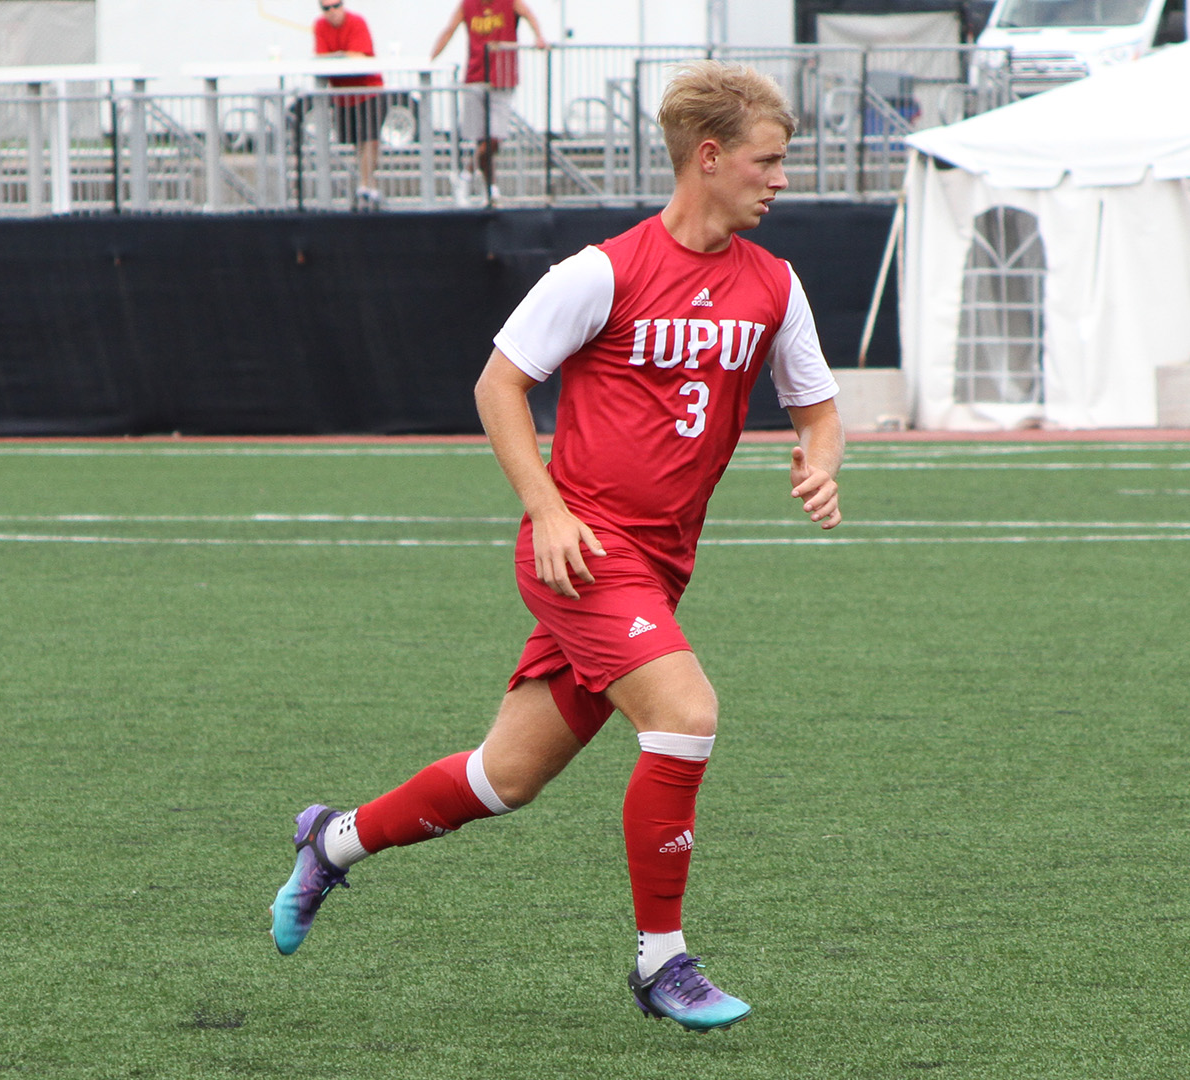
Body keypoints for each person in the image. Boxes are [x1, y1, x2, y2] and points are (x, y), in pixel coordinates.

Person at [270, 61, 844, 1034]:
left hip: (657, 572)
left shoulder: (775, 286)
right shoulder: (601, 271)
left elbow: (818, 406)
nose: (781, 178)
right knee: (687, 713)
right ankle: (662, 963)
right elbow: (499, 387)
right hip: (580, 556)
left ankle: (333, 842)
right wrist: (547, 509)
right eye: (768, 160)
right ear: (709, 159)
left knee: (506, 778)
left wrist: (820, 460)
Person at [430, 0, 548, 206]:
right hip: (476, 76)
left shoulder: (510, 2)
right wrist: (429, 60)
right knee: (481, 139)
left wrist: (539, 37)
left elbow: (530, 15)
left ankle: (465, 174)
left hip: (502, 77)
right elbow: (449, 30)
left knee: (495, 138)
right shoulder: (467, 5)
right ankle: (490, 190)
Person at [313, 0, 387, 208]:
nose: (332, 12)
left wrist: (338, 57)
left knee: (370, 139)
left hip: (368, 89)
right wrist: (340, 57)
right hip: (344, 95)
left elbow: (359, 57)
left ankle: (366, 186)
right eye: (326, 8)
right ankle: (367, 184)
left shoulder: (357, 22)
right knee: (358, 142)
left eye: (336, 6)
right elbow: (321, 58)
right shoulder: (320, 26)